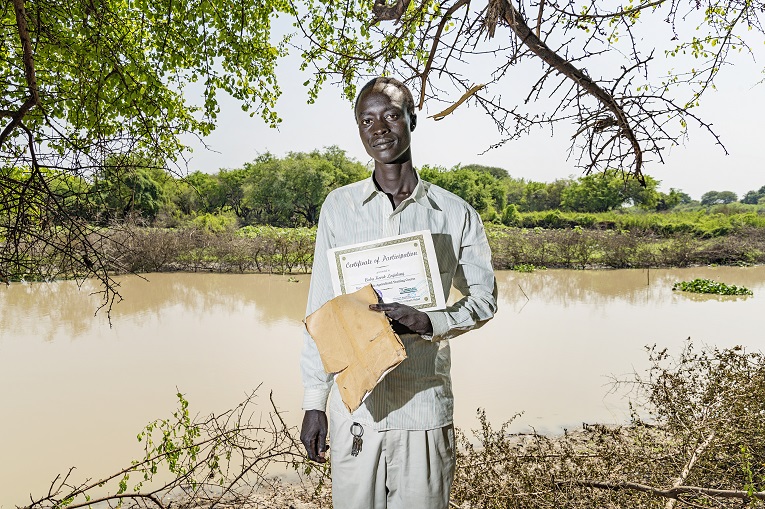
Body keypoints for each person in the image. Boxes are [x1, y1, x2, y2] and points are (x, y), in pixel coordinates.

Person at [300, 76, 497, 509]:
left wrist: (429, 321)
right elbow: (320, 309)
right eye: (367, 120)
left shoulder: (456, 214)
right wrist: (314, 401)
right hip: (357, 411)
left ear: (412, 118)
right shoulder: (339, 207)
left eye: (390, 115)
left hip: (423, 408)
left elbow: (484, 299)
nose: (380, 129)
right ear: (359, 130)